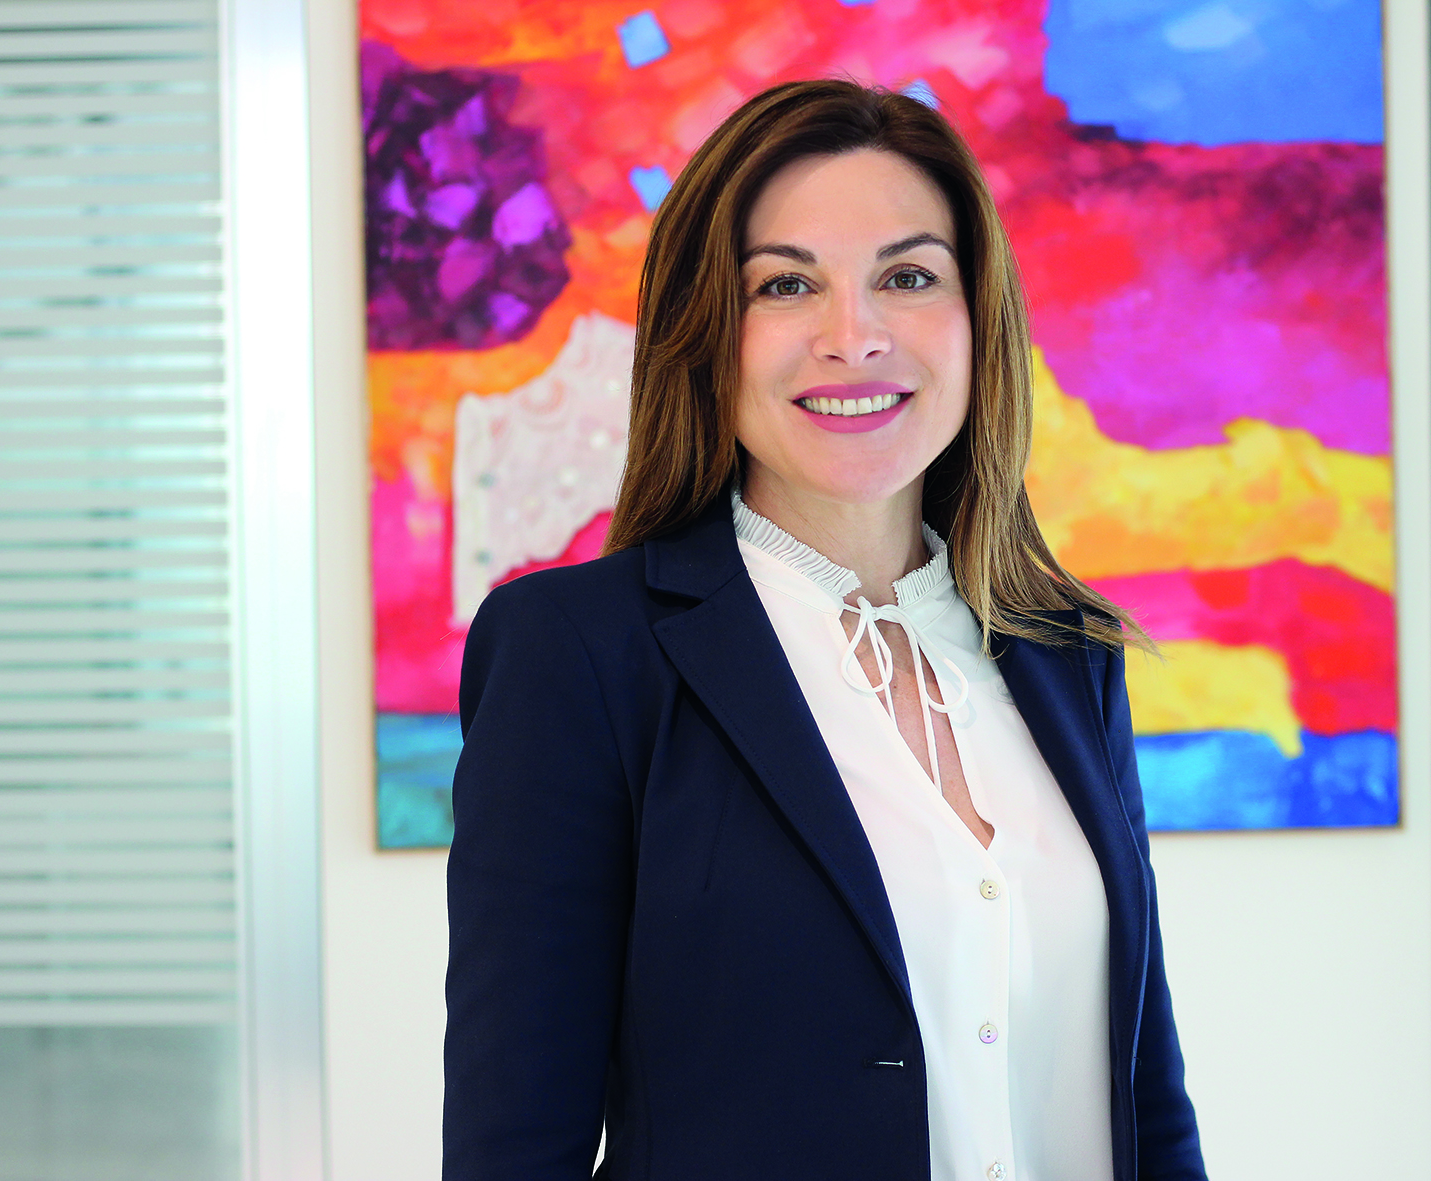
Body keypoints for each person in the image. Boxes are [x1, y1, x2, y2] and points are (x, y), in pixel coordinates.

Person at [444, 78, 1207, 1181]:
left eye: (907, 277)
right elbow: (515, 1142)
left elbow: (1147, 1099)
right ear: (708, 332)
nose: (854, 337)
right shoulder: (577, 655)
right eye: (787, 285)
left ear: (977, 319)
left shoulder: (1063, 651)